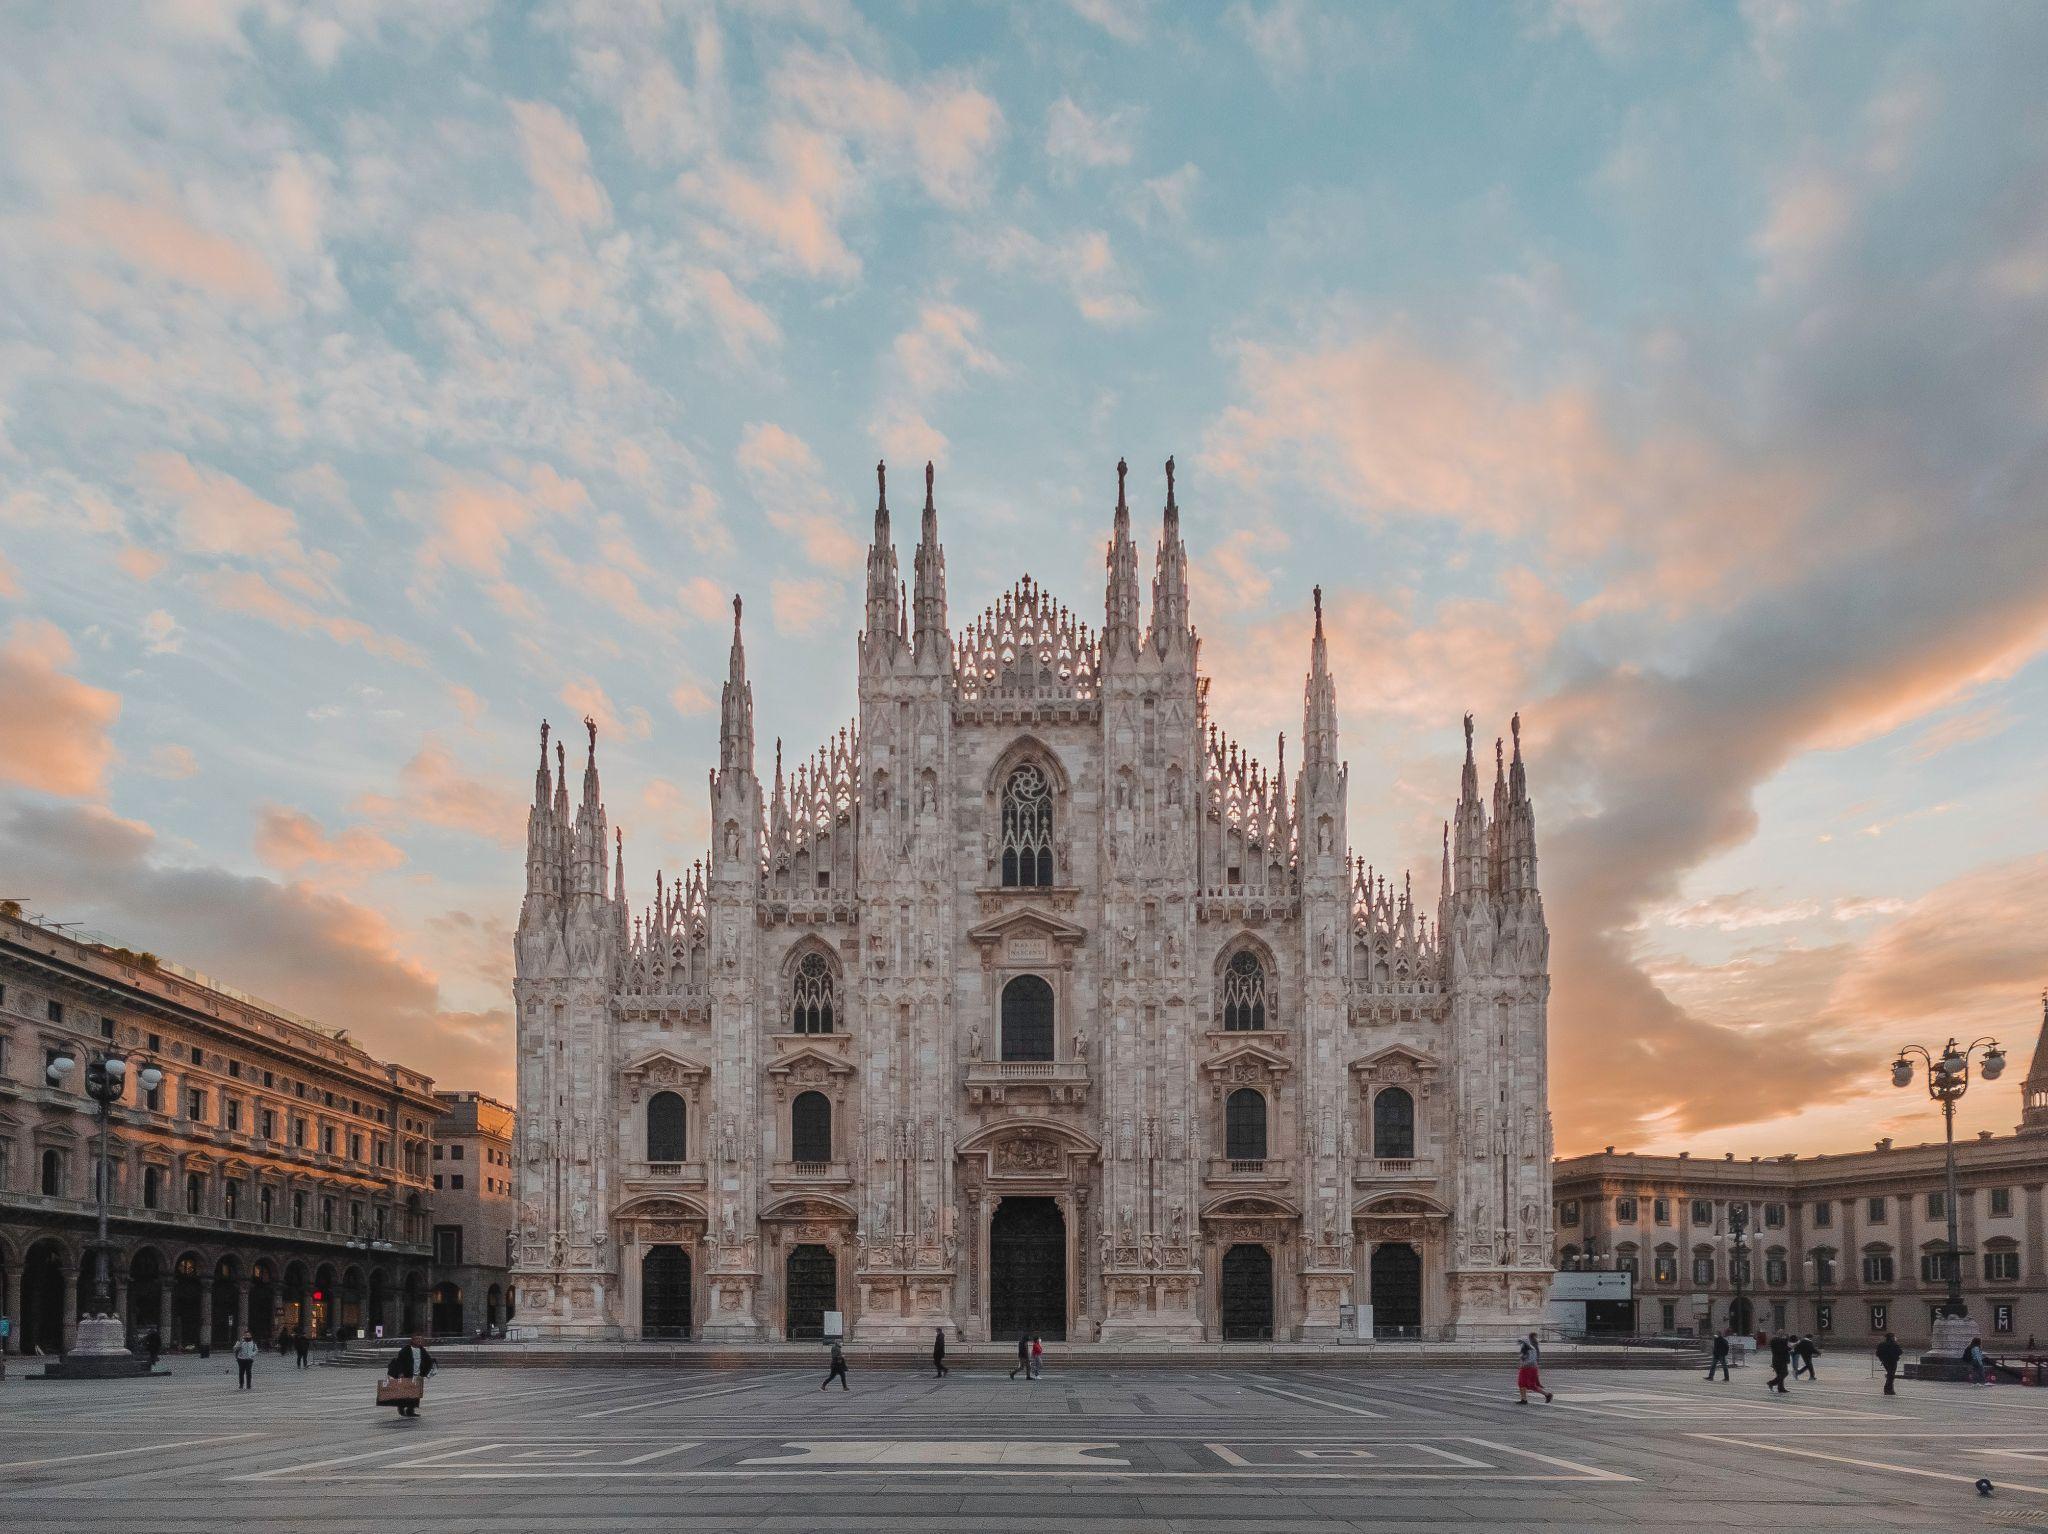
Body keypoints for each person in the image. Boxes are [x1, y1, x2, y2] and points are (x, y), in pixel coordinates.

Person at [385, 1334, 436, 1417]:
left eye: (420, 1339)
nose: (419, 1341)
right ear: (412, 1340)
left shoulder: (422, 1350)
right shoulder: (405, 1350)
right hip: (407, 1374)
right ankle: (401, 1407)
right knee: (405, 1392)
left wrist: (427, 1371)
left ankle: (410, 1410)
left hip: (417, 1374)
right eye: (417, 1339)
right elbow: (400, 1362)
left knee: (415, 1394)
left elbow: (428, 1361)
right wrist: (400, 1372)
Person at [1515, 1333, 1552, 1404]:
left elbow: (1531, 1360)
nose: (1521, 1344)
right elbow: (1523, 1359)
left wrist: (1523, 1364)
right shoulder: (1524, 1350)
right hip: (1525, 1368)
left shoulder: (1531, 1349)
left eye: (1522, 1342)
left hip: (1530, 1368)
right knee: (1521, 1383)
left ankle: (1547, 1394)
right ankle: (1524, 1399)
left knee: (1531, 1385)